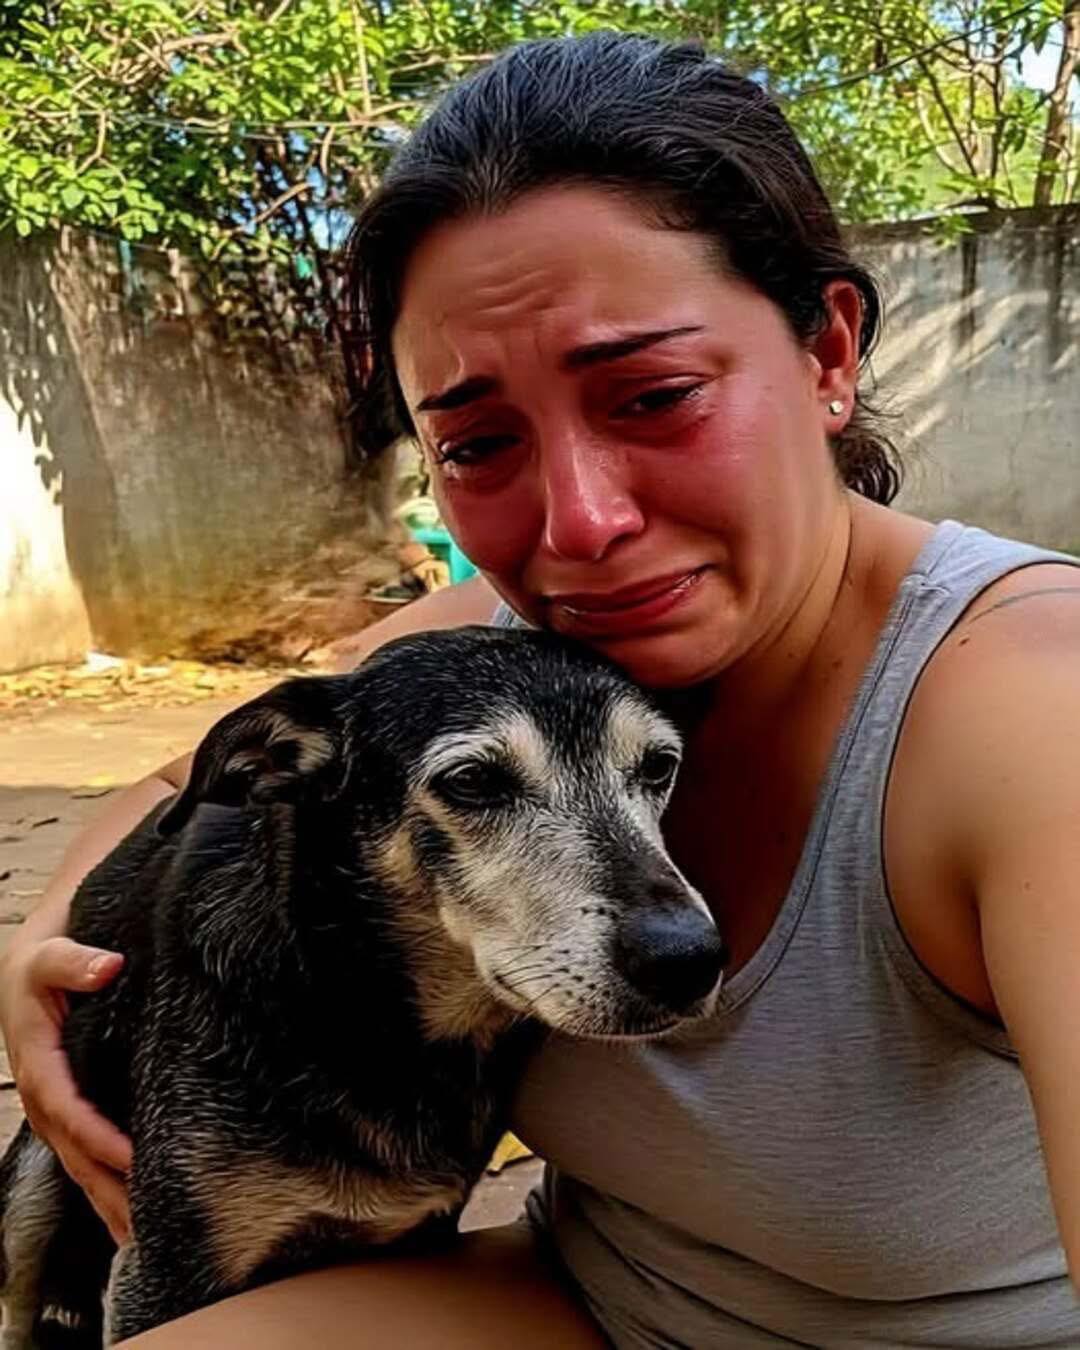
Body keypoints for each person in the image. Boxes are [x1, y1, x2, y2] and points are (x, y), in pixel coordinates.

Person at [2, 30, 1079, 1348]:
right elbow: (201, 777)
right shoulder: (533, 636)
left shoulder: (1038, 716)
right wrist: (46, 959)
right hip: (578, 1298)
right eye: (480, 440)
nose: (579, 522)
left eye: (656, 393)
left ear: (827, 352)